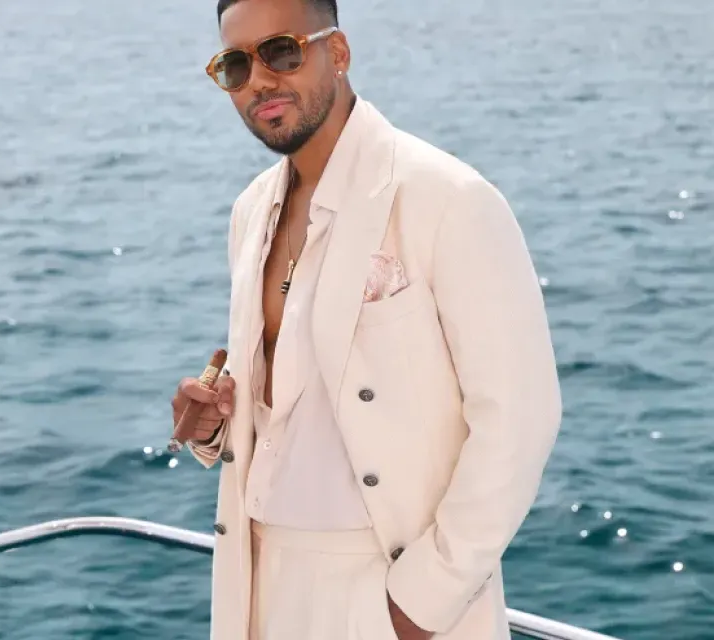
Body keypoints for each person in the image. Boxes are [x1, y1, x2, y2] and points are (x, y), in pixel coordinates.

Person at [170, 0, 562, 638]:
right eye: (236, 65)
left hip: (387, 587)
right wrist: (216, 424)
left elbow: (521, 417)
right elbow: (288, 409)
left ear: (339, 52)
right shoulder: (250, 212)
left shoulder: (447, 198)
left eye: (282, 52)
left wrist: (424, 599)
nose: (260, 80)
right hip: (257, 581)